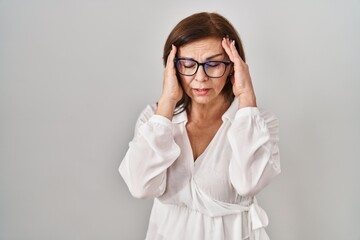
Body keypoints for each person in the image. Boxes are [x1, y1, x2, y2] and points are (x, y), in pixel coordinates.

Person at [119, 12, 281, 240]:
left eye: (213, 64)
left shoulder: (258, 123)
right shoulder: (154, 118)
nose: (200, 77)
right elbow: (140, 187)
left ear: (233, 67)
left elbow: (248, 184)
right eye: (188, 64)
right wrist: (167, 101)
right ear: (172, 68)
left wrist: (246, 98)